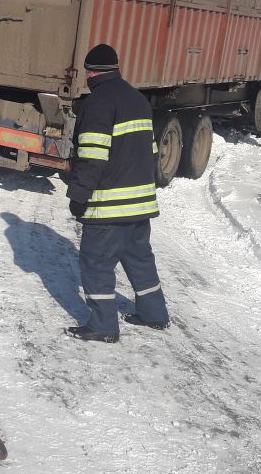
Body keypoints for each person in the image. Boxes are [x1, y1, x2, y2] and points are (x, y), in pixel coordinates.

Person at [64, 43, 169, 342]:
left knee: (96, 262)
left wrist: (78, 196)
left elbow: (92, 156)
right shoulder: (137, 100)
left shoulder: (97, 103)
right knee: (139, 258)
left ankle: (102, 325)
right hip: (140, 204)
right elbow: (150, 152)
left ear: (90, 72)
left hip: (109, 206)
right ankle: (154, 314)